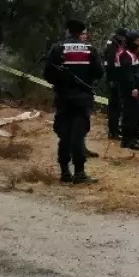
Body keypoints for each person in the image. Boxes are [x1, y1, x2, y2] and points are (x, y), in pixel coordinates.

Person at [44, 19, 104, 183]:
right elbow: (99, 73)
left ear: (68, 31)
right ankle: (79, 173)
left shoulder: (57, 49)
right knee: (78, 135)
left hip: (62, 98)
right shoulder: (90, 50)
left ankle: (64, 172)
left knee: (64, 135)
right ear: (81, 32)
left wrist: (61, 82)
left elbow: (48, 75)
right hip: (82, 99)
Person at [117, 30, 139, 151]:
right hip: (128, 89)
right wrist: (132, 87)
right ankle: (126, 140)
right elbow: (127, 74)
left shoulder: (132, 53)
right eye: (137, 41)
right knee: (129, 114)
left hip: (134, 88)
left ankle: (131, 138)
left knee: (134, 114)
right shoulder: (125, 55)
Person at [103, 29, 126, 140]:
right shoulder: (112, 45)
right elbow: (111, 63)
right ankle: (113, 132)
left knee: (117, 106)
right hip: (114, 80)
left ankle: (115, 128)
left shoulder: (115, 43)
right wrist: (112, 79)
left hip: (116, 79)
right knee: (114, 106)